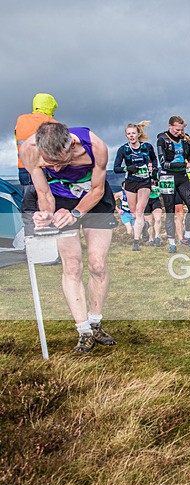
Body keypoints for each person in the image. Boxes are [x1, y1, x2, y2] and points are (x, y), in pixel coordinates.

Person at [19, 122, 118, 353]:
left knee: (97, 264)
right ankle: (83, 331)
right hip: (60, 198)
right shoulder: (29, 150)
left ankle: (95, 322)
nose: (57, 168)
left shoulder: (96, 147)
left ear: (72, 145)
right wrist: (46, 214)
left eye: (62, 163)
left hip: (94, 199)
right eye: (50, 164)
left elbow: (97, 190)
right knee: (72, 266)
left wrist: (75, 214)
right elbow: (43, 192)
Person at [156, 116, 190, 253]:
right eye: (176, 130)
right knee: (170, 211)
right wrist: (184, 164)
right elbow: (163, 163)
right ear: (170, 126)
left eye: (181, 130)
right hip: (167, 177)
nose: (179, 132)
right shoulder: (161, 140)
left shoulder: (185, 139)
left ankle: (186, 237)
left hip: (182, 176)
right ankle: (172, 243)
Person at [113, 121, 157, 250]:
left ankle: (136, 242)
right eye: (128, 134)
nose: (131, 136)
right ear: (126, 136)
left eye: (133, 133)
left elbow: (154, 159)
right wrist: (128, 168)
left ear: (138, 134)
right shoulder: (123, 149)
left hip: (144, 181)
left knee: (139, 211)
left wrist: (154, 170)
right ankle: (143, 226)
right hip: (130, 182)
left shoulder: (147, 147)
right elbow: (116, 168)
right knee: (133, 212)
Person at [14, 93, 58, 216]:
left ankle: (29, 232)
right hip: (45, 169)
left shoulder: (21, 120)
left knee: (28, 202)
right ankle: (46, 231)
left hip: (24, 168)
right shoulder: (52, 123)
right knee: (46, 200)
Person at [143, 180, 164, 246]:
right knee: (149, 222)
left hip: (156, 199)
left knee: (158, 219)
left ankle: (157, 236)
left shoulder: (157, 175)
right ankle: (151, 238)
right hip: (145, 200)